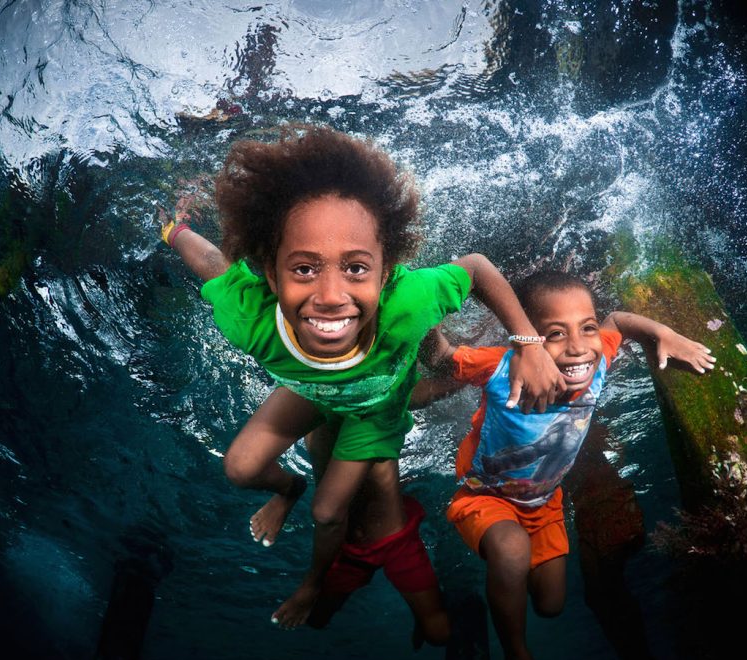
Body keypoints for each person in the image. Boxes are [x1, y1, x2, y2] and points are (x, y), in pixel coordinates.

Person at [160, 125, 565, 630]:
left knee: (330, 513)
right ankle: (288, 490)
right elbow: (213, 265)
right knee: (239, 469)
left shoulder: (408, 301)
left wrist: (527, 343)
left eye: (355, 269)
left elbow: (478, 267)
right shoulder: (251, 320)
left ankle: (310, 585)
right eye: (304, 269)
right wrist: (174, 230)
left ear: (386, 269)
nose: (331, 295)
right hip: (311, 393)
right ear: (270, 273)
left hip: (374, 414)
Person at [420, 270, 714, 660]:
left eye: (585, 328)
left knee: (550, 604)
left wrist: (661, 333)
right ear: (527, 340)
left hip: (545, 504)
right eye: (556, 334)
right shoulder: (502, 366)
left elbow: (617, 323)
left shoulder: (597, 362)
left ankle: (504, 608)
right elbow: (443, 358)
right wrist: (419, 309)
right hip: (484, 496)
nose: (578, 348)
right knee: (510, 549)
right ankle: (518, 659)